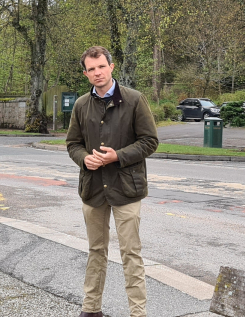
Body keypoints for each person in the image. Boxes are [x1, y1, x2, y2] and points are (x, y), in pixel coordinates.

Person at [66, 46, 159, 317]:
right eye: (91, 69)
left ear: (111, 66)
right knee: (96, 250)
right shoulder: (82, 104)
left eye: (101, 67)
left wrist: (117, 156)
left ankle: (138, 314)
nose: (97, 73)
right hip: (93, 189)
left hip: (127, 188)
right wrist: (84, 159)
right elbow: (73, 143)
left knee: (131, 253)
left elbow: (150, 141)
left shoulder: (134, 100)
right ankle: (91, 310)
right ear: (85, 73)